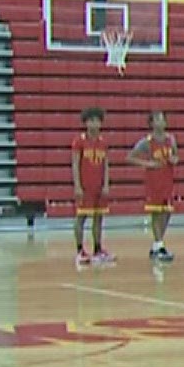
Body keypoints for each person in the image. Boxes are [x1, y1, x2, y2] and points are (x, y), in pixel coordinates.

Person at [127, 109, 178, 263]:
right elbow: (130, 157)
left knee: (167, 212)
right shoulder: (146, 142)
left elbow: (176, 155)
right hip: (154, 181)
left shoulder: (171, 139)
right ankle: (159, 244)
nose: (160, 122)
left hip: (167, 180)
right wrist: (147, 163)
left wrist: (174, 159)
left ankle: (157, 244)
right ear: (151, 123)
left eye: (162, 119)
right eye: (157, 120)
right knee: (156, 213)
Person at [70, 106, 113, 267]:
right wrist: (77, 185)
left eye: (97, 121)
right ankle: (80, 250)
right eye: (91, 121)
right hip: (85, 185)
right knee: (81, 217)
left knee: (99, 218)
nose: (94, 124)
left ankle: (98, 249)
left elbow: (106, 165)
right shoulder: (79, 141)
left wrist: (106, 183)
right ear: (85, 122)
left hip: (99, 185)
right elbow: (75, 164)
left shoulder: (103, 142)